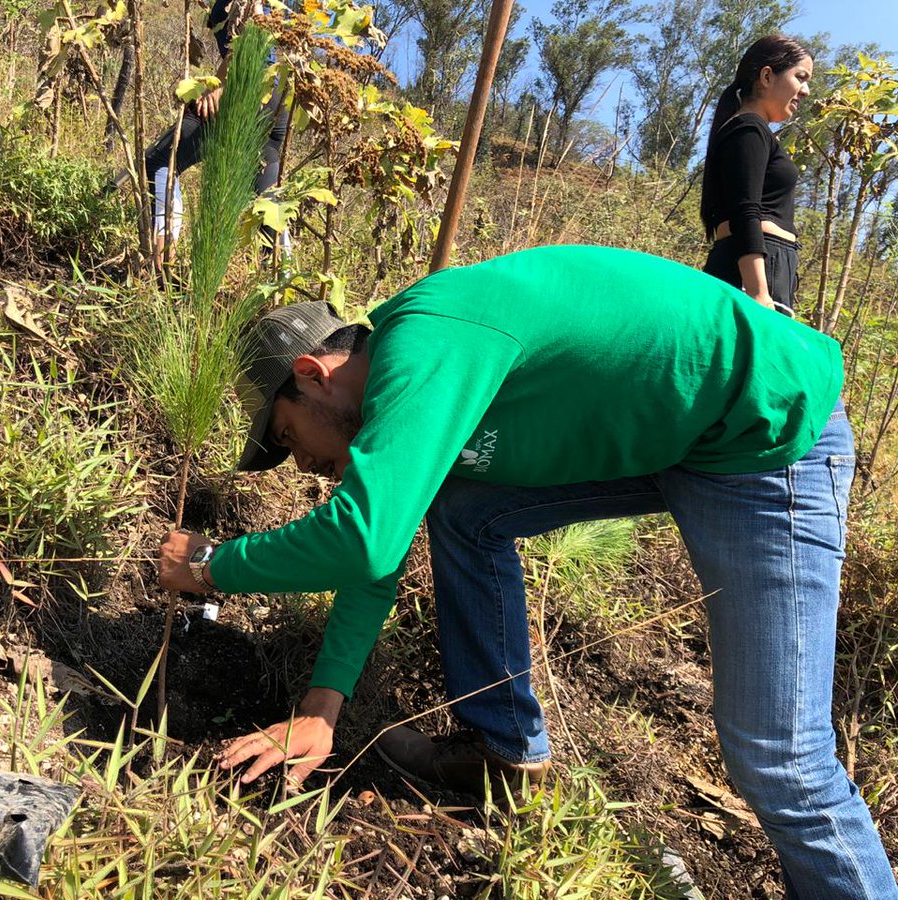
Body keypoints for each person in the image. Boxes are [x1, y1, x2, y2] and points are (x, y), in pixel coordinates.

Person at [157, 245, 898, 897]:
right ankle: (508, 759)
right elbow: (378, 549)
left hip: (768, 432)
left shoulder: (426, 345)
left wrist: (215, 566)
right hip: (681, 437)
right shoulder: (419, 380)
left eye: (290, 438)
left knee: (778, 761)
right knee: (462, 510)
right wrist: (322, 712)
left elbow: (365, 541)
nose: (309, 467)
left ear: (314, 374)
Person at [143, 0, 289, 267]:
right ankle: (282, 285)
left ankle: (162, 264)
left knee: (161, 160)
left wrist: (221, 83)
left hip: (249, 88)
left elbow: (256, 31)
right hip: (275, 98)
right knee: (267, 195)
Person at [700, 35, 812, 318]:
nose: (806, 90)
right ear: (766, 76)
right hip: (756, 270)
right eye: (800, 77)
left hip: (766, 265)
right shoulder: (749, 128)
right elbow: (745, 210)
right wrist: (758, 291)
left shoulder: (752, 130)